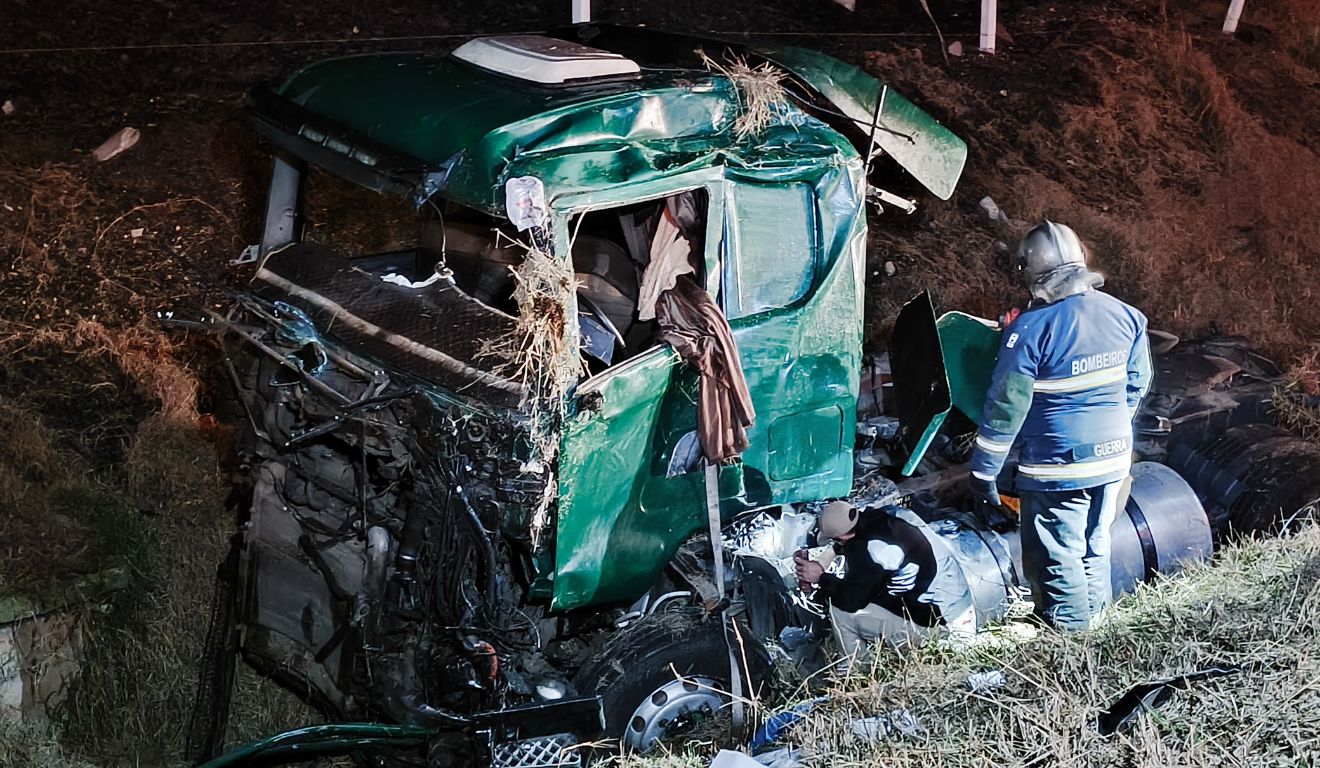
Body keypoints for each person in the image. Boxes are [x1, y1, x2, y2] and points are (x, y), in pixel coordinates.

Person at [968, 220, 1152, 631]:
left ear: (1031, 272)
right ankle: (1098, 628)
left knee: (1058, 554)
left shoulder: (1030, 332)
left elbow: (1005, 409)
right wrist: (1110, 429)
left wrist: (983, 474)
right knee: (1094, 546)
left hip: (1059, 467)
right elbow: (1138, 385)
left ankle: (1069, 643)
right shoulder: (1126, 316)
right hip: (1114, 460)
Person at [793, 500, 976, 659]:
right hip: (958, 606)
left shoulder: (872, 551)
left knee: (840, 612)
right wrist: (824, 560)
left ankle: (855, 673)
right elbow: (851, 545)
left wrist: (821, 578)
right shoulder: (888, 516)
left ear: (842, 537)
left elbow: (851, 600)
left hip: (944, 630)